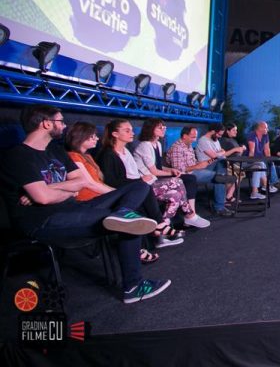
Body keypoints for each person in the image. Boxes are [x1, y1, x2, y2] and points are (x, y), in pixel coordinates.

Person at [0, 105, 170, 303]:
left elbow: (80, 182)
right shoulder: (18, 156)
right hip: (44, 221)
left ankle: (122, 212)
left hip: (74, 207)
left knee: (140, 186)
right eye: (60, 121)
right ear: (46, 124)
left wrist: (51, 188)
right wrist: (60, 190)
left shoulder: (55, 150)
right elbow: (44, 198)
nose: (64, 125)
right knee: (132, 223)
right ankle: (133, 286)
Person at [65, 121, 165, 263]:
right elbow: (90, 184)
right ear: (81, 137)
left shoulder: (87, 156)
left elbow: (100, 182)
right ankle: (155, 229)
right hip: (90, 200)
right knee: (139, 192)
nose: (97, 138)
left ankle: (154, 231)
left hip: (101, 195)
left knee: (140, 190)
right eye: (92, 136)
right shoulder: (74, 156)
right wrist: (117, 193)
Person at [96, 120, 188, 248]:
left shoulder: (126, 151)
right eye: (127, 131)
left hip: (138, 186)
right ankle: (167, 223)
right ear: (115, 134)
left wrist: (139, 180)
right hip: (127, 190)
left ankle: (162, 231)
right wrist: (139, 181)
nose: (132, 133)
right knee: (164, 184)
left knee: (175, 194)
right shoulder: (108, 154)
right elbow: (111, 181)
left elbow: (135, 173)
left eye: (131, 130)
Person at [133, 119, 209, 229]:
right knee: (178, 181)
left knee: (176, 194)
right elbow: (154, 171)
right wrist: (171, 172)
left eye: (164, 127)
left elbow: (159, 167)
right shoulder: (145, 146)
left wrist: (171, 170)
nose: (164, 129)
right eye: (160, 127)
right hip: (146, 183)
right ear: (150, 129)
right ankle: (190, 215)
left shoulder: (158, 144)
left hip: (155, 179)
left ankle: (164, 226)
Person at [166, 126, 235, 217]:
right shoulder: (177, 148)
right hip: (187, 174)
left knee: (219, 162)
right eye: (192, 137)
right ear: (184, 136)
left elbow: (192, 162)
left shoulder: (188, 145)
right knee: (219, 178)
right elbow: (178, 169)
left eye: (195, 137)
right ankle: (219, 206)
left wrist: (201, 163)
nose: (194, 140)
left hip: (195, 170)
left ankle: (222, 178)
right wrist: (197, 166)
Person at [247, 121, 279, 197]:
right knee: (260, 164)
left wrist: (270, 160)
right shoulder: (252, 135)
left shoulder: (265, 135)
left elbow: (267, 149)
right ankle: (262, 188)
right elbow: (252, 151)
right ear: (260, 128)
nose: (267, 129)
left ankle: (265, 186)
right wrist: (251, 162)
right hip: (250, 159)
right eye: (266, 128)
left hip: (260, 159)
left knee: (267, 163)